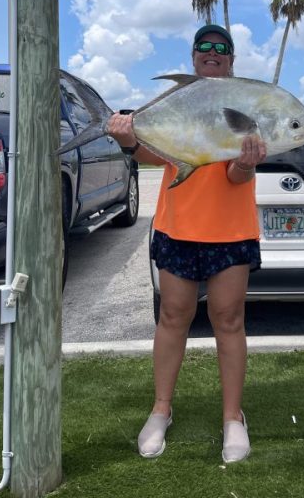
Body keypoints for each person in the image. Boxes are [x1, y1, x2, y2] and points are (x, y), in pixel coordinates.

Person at [107, 24, 267, 463]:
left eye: (222, 48)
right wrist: (127, 140)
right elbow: (149, 152)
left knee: (229, 320)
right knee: (173, 317)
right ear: (194, 57)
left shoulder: (247, 104)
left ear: (232, 61)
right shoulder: (175, 101)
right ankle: (161, 409)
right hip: (177, 228)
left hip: (231, 232)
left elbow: (236, 176)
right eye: (205, 47)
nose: (212, 52)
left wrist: (249, 165)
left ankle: (233, 418)